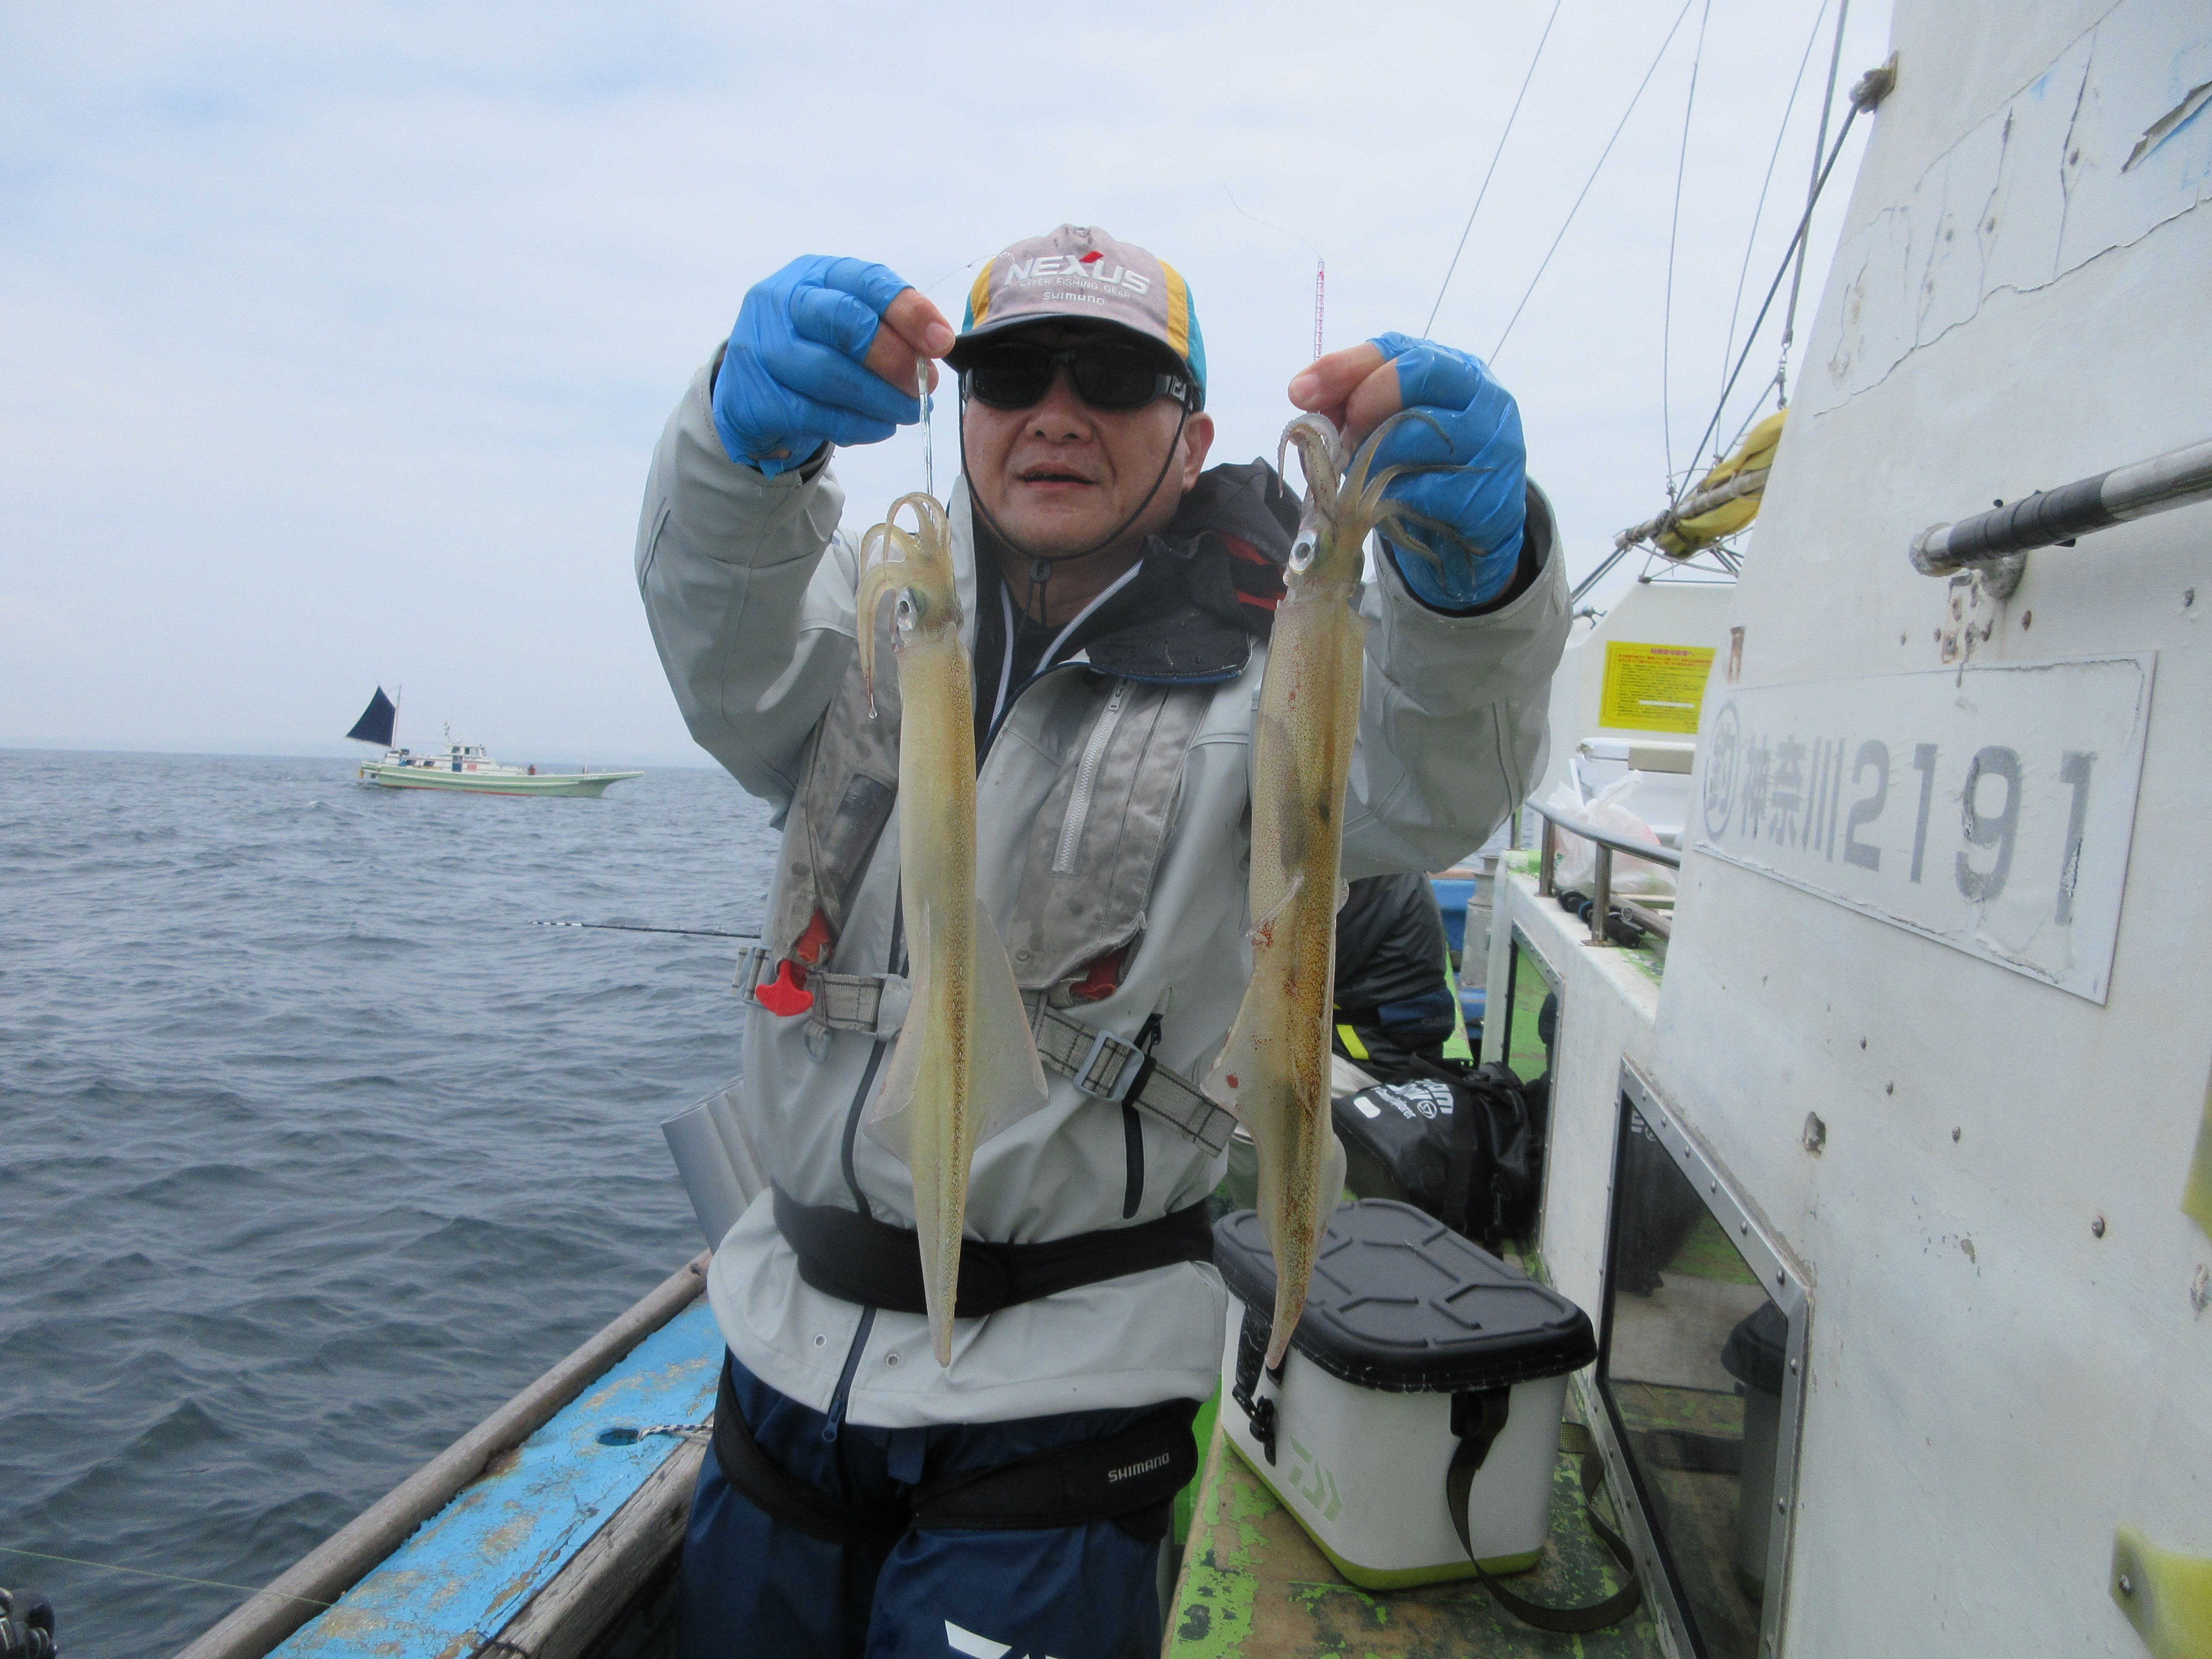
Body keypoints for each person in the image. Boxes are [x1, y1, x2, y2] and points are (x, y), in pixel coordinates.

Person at [637, 226, 1568, 1659]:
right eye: (1014, 374)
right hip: (782, 1357)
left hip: (1060, 1409)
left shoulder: (1274, 669)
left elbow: (1437, 775)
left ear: (1191, 442)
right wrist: (732, 455)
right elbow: (722, 635)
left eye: (1117, 379)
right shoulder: (866, 628)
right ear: (965, 410)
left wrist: (1471, 599)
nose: (1058, 413)